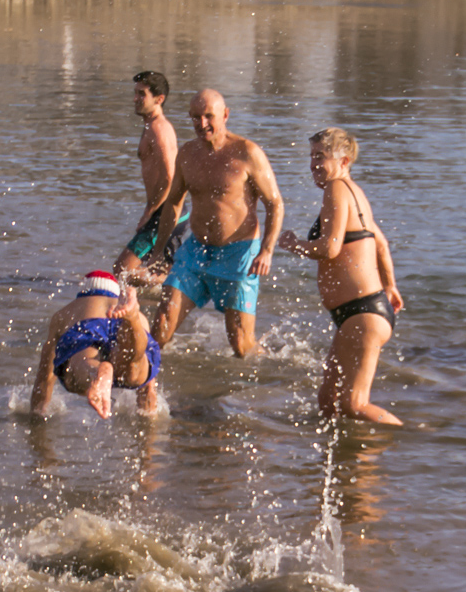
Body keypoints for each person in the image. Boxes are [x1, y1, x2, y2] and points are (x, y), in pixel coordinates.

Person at [280, 128, 403, 426]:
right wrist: (390, 286)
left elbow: (330, 248)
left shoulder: (337, 188)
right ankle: (337, 460)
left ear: (344, 160)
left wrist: (294, 243)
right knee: (327, 401)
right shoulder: (356, 193)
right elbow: (381, 244)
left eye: (320, 157)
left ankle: (410, 445)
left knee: (353, 403)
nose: (313, 164)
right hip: (362, 311)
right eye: (311, 157)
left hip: (363, 313)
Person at [149, 89, 284, 357]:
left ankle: (270, 366)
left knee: (241, 346)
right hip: (196, 250)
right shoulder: (187, 154)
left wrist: (267, 250)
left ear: (225, 115)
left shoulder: (247, 153)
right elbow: (174, 203)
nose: (202, 124)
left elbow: (275, 204)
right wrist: (158, 251)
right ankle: (145, 383)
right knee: (161, 325)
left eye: (209, 116)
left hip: (239, 253)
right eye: (195, 118)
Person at [31, 271, 161, 419]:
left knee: (79, 366)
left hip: (88, 322)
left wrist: (36, 417)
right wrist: (150, 423)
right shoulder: (120, 306)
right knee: (134, 364)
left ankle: (96, 371)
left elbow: (44, 378)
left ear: (84, 289)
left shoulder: (68, 311)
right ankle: (132, 320)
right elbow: (148, 391)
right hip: (132, 326)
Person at [113, 71, 187, 287]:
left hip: (166, 212)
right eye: (135, 93)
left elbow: (170, 176)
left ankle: (179, 282)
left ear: (159, 99)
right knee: (155, 268)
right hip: (165, 211)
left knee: (122, 271)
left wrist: (150, 211)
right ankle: (165, 294)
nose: (135, 99)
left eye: (141, 94)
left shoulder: (159, 129)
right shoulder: (151, 126)